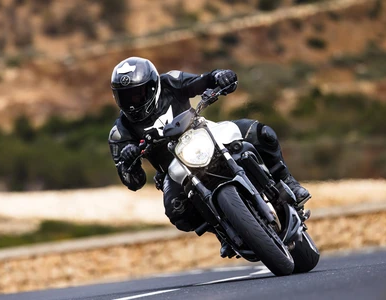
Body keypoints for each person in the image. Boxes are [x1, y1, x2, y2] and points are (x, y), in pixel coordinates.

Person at [108, 57, 310, 257]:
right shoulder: (120, 132)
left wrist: (220, 77)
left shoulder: (170, 81)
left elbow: (203, 81)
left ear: (153, 86)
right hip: (174, 170)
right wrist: (129, 162)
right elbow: (133, 182)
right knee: (177, 212)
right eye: (125, 97)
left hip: (205, 134)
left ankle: (287, 181)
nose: (132, 103)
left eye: (137, 94)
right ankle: (223, 232)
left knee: (261, 134)